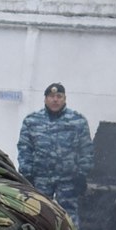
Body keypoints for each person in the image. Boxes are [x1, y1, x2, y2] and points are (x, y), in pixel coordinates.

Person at [15, 82, 95, 222]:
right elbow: (25, 148)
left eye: (59, 96)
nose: (55, 100)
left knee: (69, 219)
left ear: (65, 99)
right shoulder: (32, 121)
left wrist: (82, 174)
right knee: (37, 215)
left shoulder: (77, 121)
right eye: (51, 96)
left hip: (68, 179)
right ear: (45, 99)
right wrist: (27, 173)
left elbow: (86, 149)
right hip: (41, 178)